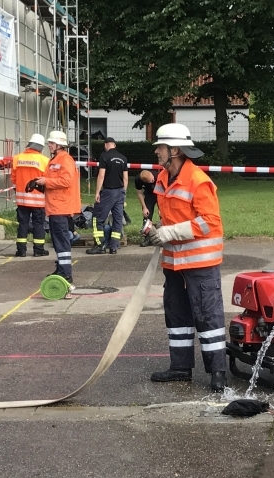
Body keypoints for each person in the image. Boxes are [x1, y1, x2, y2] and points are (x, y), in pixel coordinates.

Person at [146, 122, 227, 392]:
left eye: (161, 147)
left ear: (175, 150)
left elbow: (209, 222)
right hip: (173, 263)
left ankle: (218, 372)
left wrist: (170, 232)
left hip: (200, 264)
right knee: (177, 315)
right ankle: (180, 368)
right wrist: (155, 230)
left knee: (207, 316)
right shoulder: (162, 178)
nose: (157, 151)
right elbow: (167, 217)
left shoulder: (198, 181)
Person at [29, 129, 78, 281]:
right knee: (58, 242)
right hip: (55, 207)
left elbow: (66, 181)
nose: (49, 145)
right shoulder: (55, 160)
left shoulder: (65, 160)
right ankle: (61, 269)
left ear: (59, 145)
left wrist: (46, 182)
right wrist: (40, 181)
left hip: (61, 208)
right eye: (49, 143)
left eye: (51, 143)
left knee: (62, 242)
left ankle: (66, 273)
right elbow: (54, 180)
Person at [0, 133, 49, 257]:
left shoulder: (17, 158)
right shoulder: (44, 160)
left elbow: (14, 178)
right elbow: (47, 180)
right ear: (41, 147)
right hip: (38, 200)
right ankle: (38, 250)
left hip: (22, 200)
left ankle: (21, 251)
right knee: (38, 224)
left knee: (23, 224)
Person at [87, 136, 128, 255]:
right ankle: (114, 247)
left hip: (108, 192)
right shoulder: (123, 158)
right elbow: (125, 178)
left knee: (97, 218)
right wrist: (123, 192)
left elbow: (101, 175)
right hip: (120, 191)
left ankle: (100, 245)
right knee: (117, 220)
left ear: (106, 145)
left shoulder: (104, 156)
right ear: (115, 145)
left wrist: (97, 192)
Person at [136, 168, 158, 238]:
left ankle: (164, 238)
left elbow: (164, 191)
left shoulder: (157, 176)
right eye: (151, 181)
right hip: (149, 194)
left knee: (163, 215)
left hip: (160, 194)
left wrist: (161, 207)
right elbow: (139, 193)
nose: (153, 180)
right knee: (147, 215)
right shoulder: (138, 180)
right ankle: (147, 237)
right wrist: (144, 207)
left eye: (153, 179)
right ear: (145, 182)